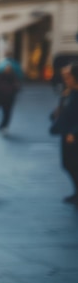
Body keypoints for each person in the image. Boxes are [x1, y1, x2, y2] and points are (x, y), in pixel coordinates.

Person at [50, 62, 78, 205]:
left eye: (68, 76)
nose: (65, 79)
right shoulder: (68, 92)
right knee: (67, 164)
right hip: (66, 133)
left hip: (73, 135)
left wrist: (74, 132)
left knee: (73, 164)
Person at [0, 62, 20, 135]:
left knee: (7, 112)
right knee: (5, 111)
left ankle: (4, 124)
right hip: (3, 97)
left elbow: (17, 86)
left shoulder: (13, 77)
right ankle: (3, 124)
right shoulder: (2, 76)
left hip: (9, 97)